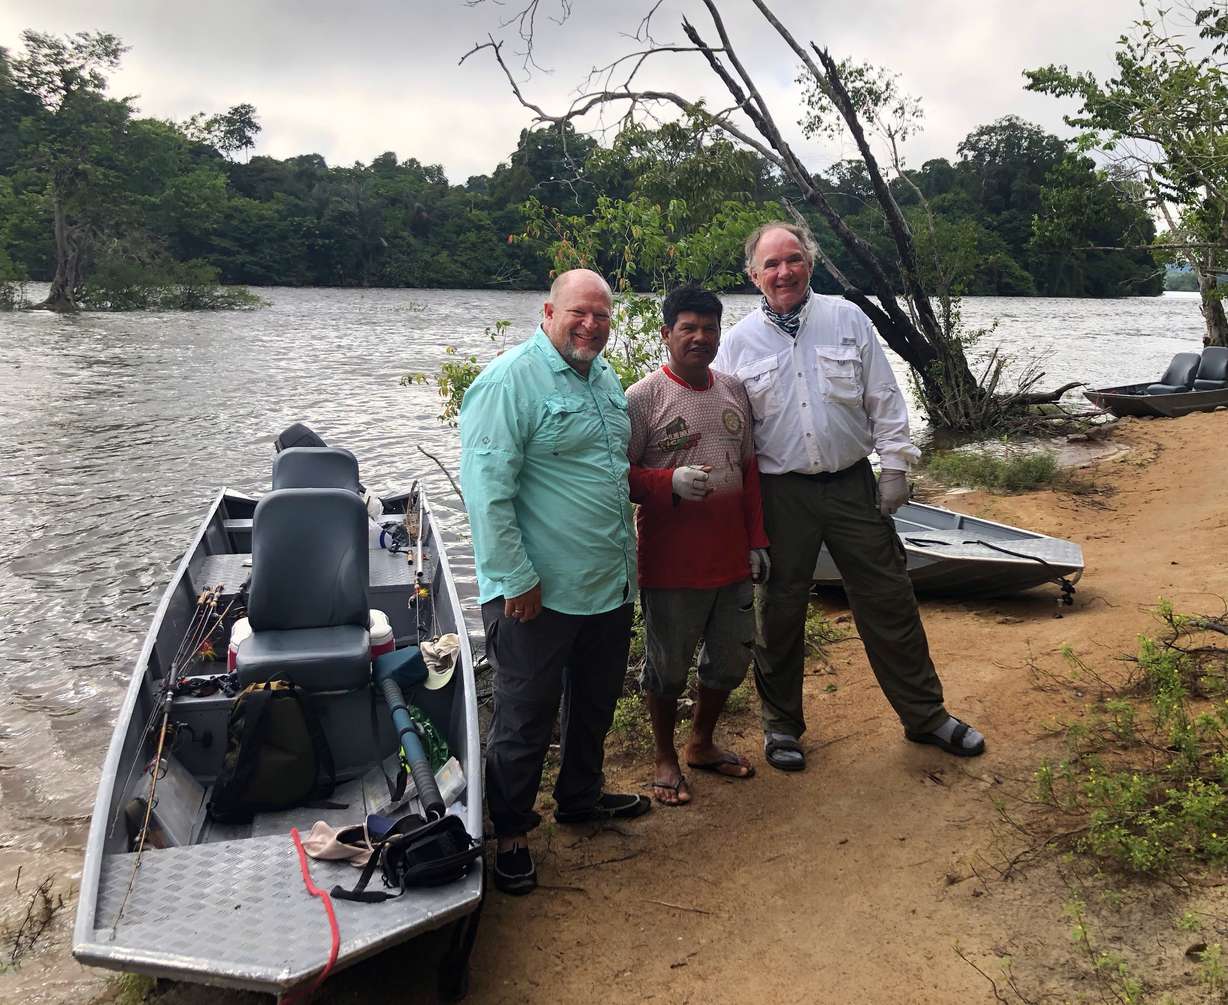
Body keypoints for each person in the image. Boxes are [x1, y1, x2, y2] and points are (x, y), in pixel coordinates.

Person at [713, 222, 986, 772]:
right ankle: (782, 727)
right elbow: (728, 433)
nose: (783, 272)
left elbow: (884, 396)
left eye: (793, 260)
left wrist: (896, 467)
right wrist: (740, 522)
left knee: (889, 597)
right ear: (753, 276)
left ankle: (926, 717)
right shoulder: (737, 344)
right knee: (779, 612)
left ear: (809, 263)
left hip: (851, 486)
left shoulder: (846, 318)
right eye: (771, 265)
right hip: (779, 494)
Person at [459, 268, 650, 896]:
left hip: (608, 584)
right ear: (548, 312)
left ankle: (580, 798)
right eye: (579, 313)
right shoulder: (507, 381)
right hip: (536, 593)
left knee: (594, 704)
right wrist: (514, 577)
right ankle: (510, 834)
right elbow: (489, 494)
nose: (591, 325)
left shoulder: (604, 379)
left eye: (602, 315)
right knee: (523, 719)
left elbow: (608, 476)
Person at [626, 284, 769, 806]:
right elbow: (620, 475)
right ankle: (664, 756)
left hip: (731, 558)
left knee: (730, 661)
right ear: (666, 334)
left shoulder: (733, 389)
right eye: (688, 327)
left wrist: (757, 541)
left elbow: (749, 473)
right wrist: (669, 484)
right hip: (670, 564)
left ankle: (701, 743)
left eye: (709, 328)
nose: (700, 337)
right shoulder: (642, 398)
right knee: (666, 666)